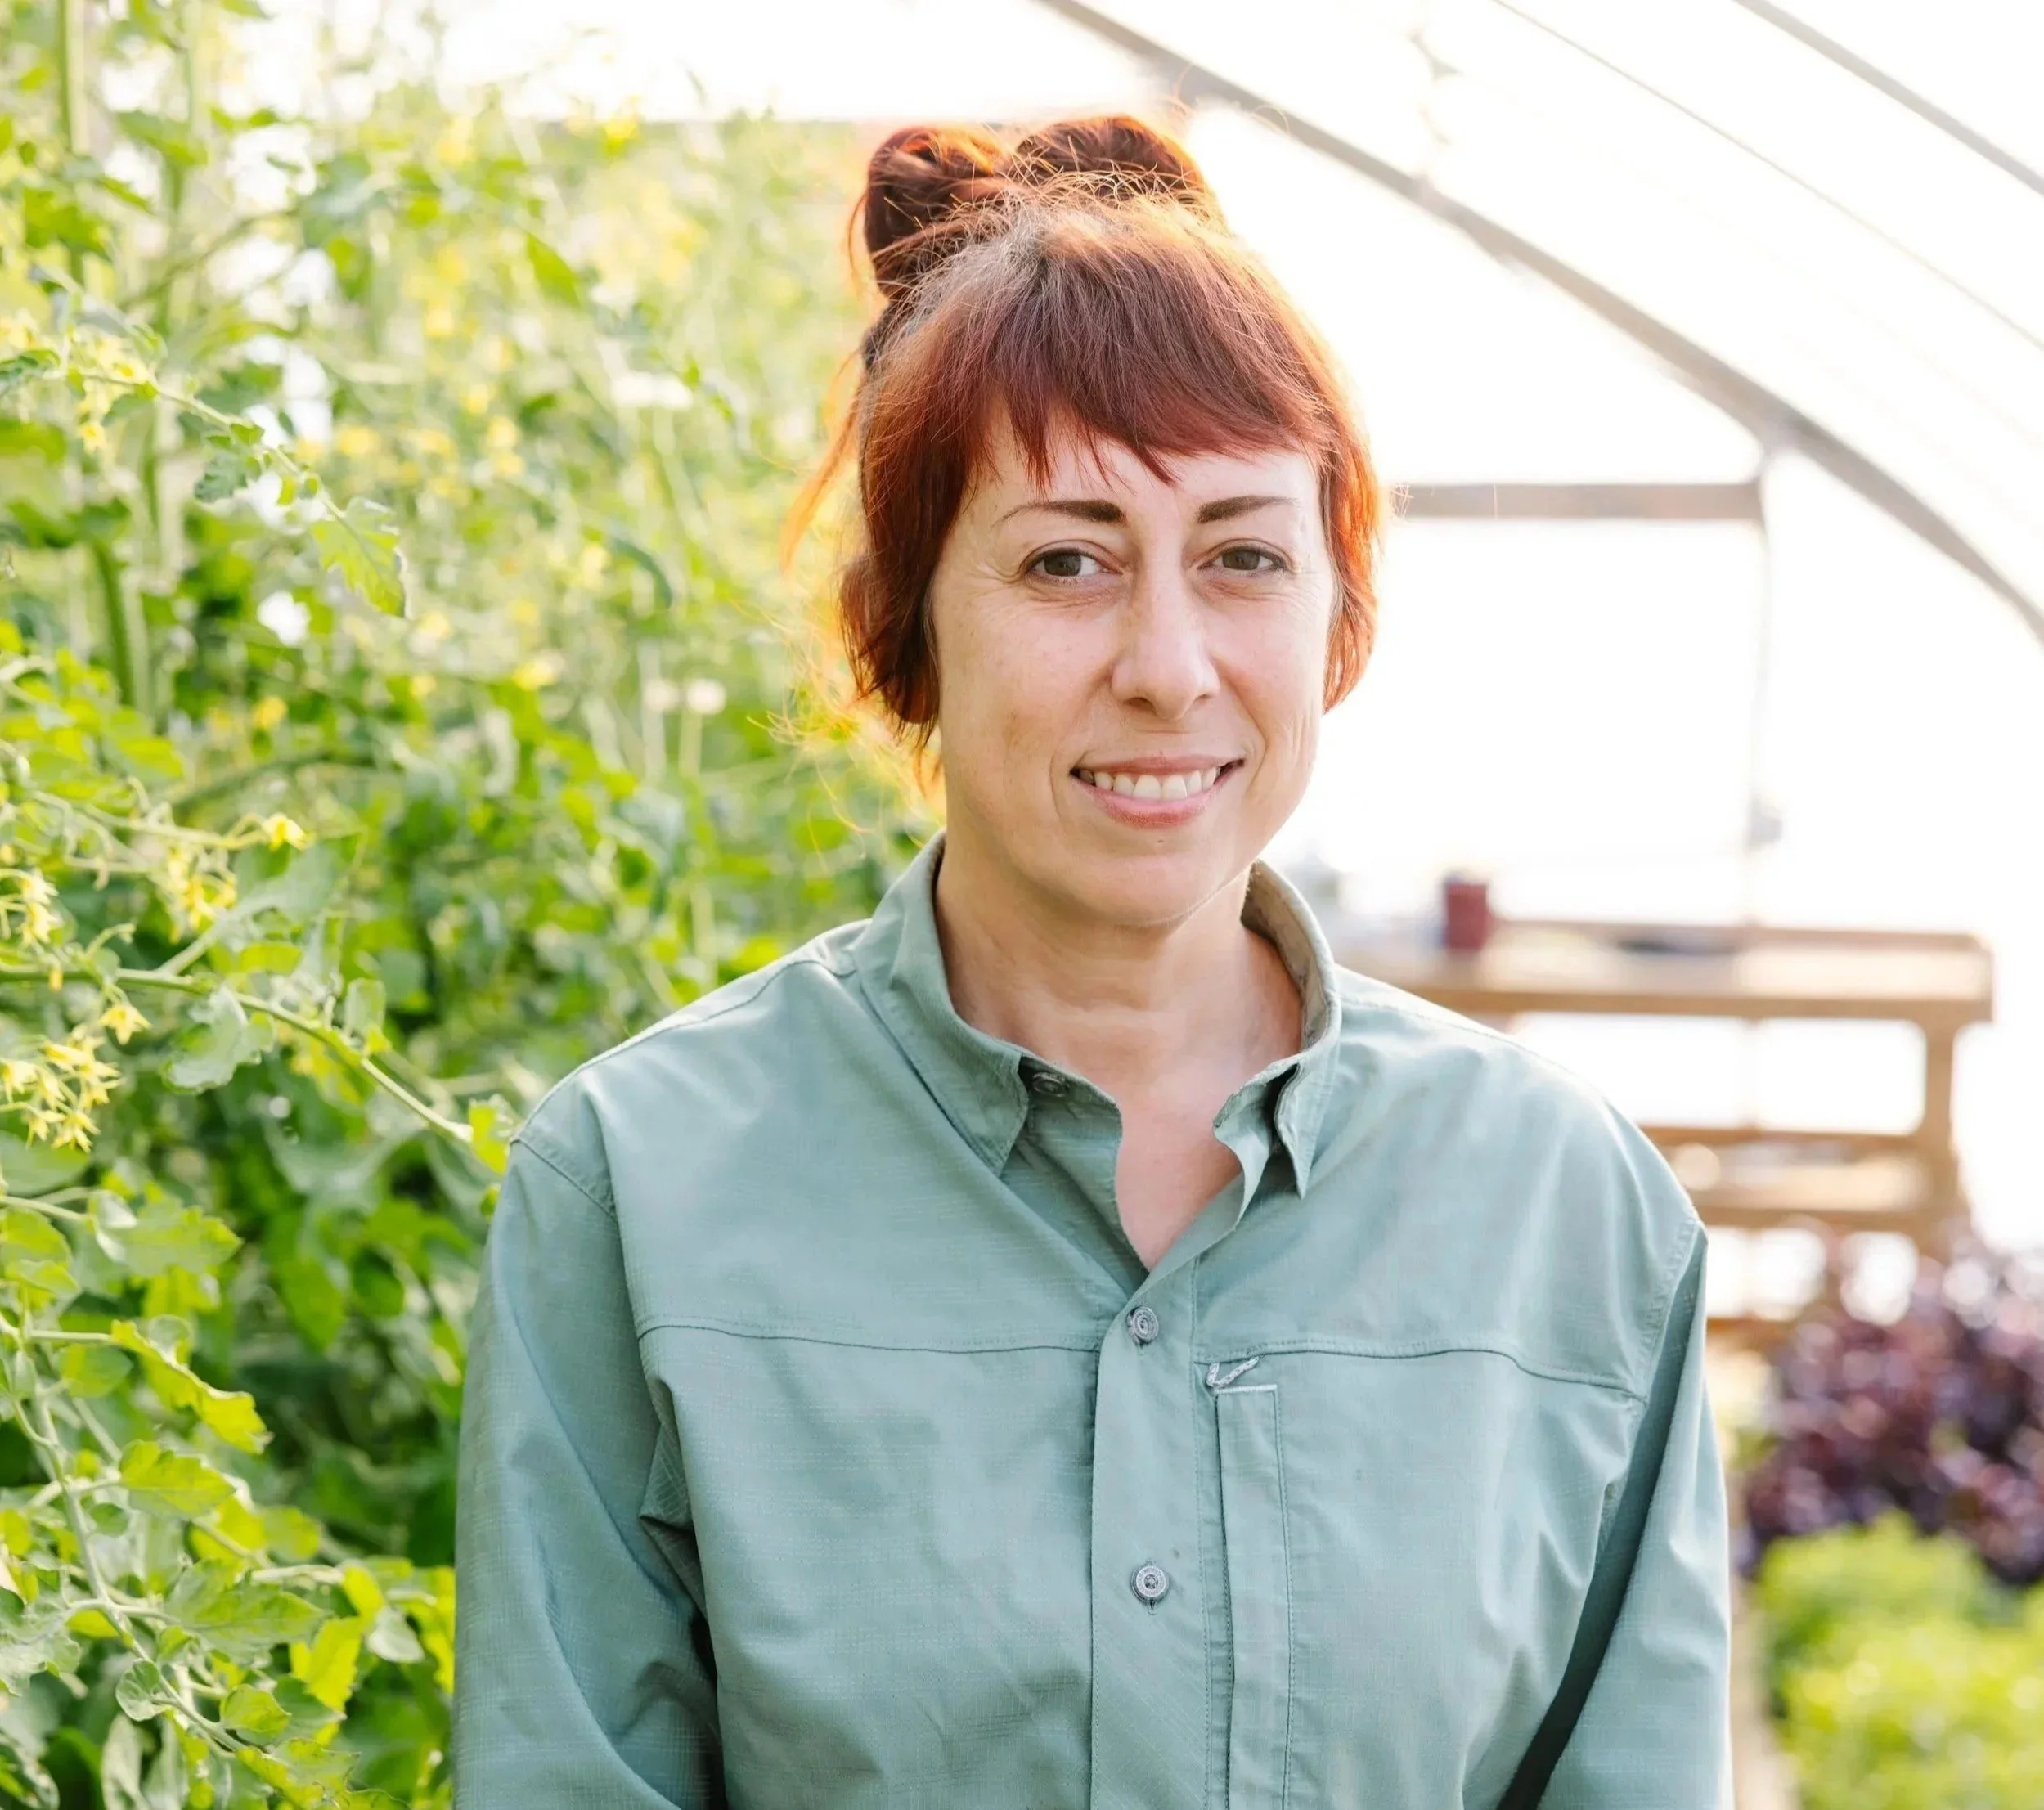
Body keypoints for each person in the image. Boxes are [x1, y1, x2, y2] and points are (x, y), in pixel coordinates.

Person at [452, 115, 1731, 1808]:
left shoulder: (1567, 1211)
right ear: (898, 629)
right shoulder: (643, 1186)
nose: (1169, 663)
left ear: (1338, 620)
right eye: (1066, 559)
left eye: (1242, 556)